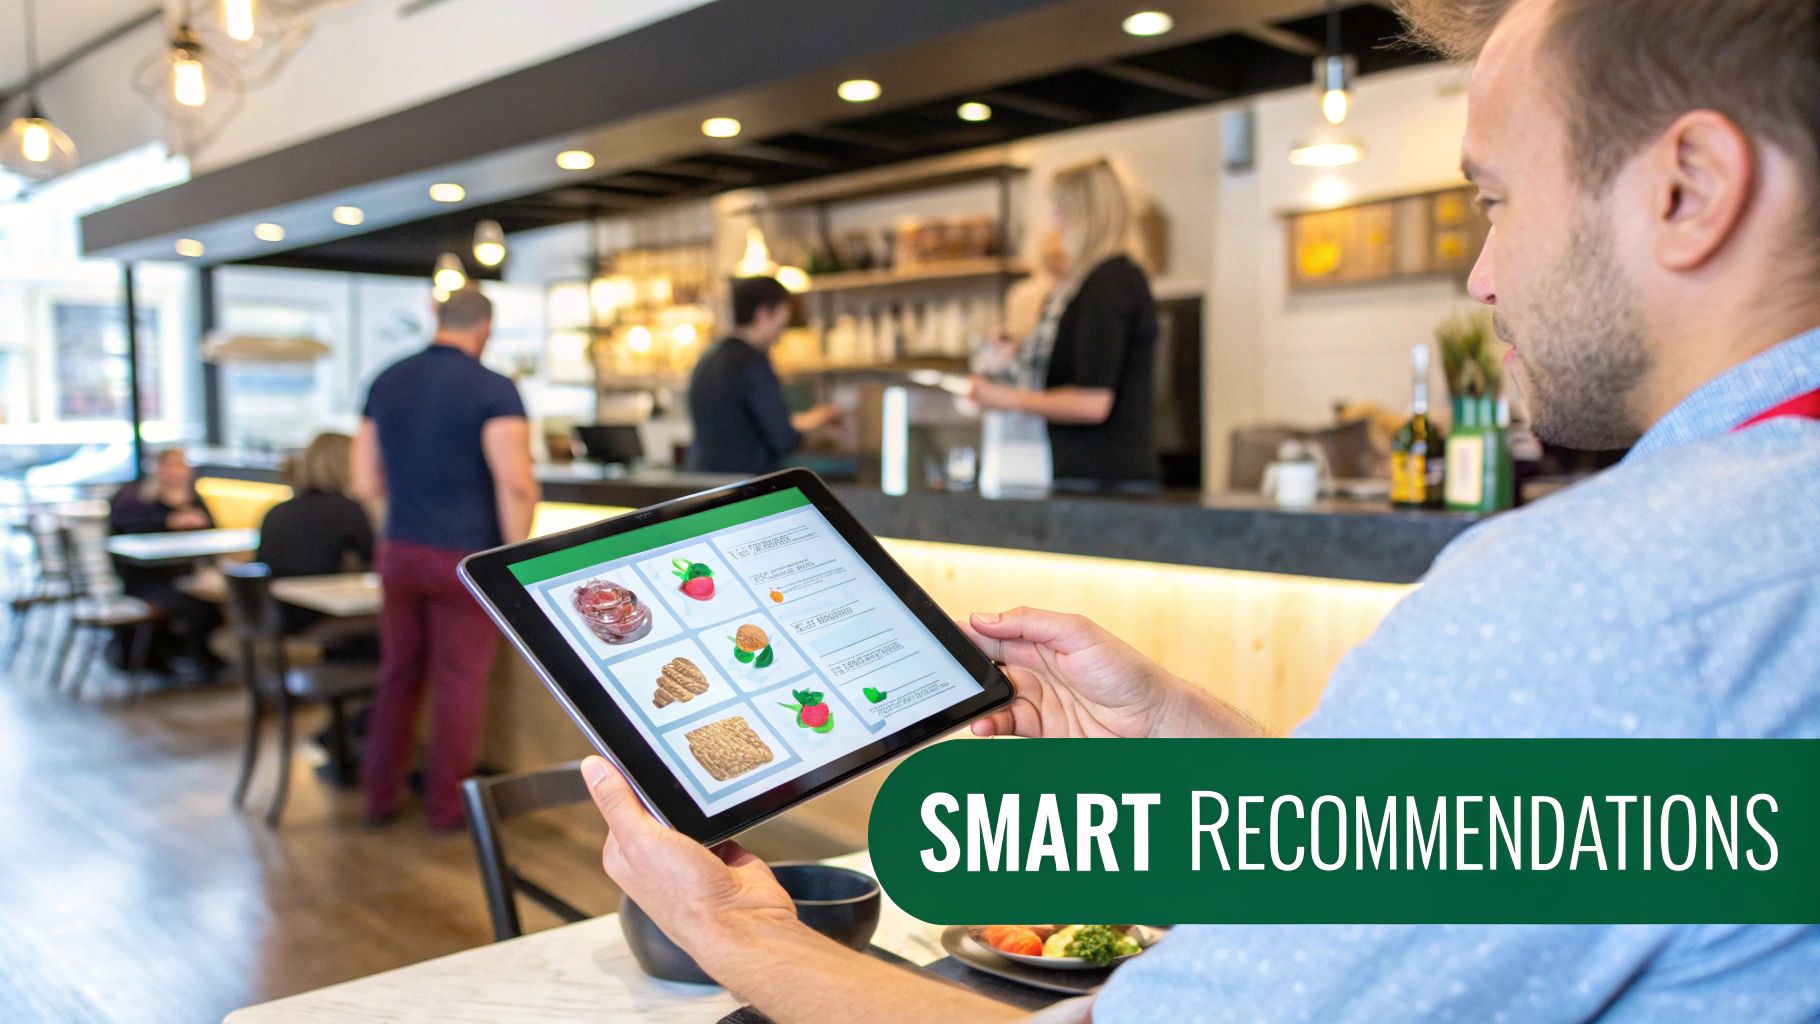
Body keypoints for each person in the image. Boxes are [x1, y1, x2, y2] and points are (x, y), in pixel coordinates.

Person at [573, 0, 1820, 1019]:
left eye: (1492, 200)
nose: (1476, 273)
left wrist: (735, 931)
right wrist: (1175, 730)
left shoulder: (1607, 603)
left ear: (1687, 186)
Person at [352, 287, 539, 831]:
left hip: (399, 549)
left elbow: (364, 479)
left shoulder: (387, 380)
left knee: (398, 677)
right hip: (465, 557)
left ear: (436, 318)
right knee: (458, 683)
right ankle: (447, 809)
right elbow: (517, 484)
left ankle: (378, 799)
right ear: (485, 328)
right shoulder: (494, 389)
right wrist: (513, 561)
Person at [968, 158, 1160, 490]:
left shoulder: (1109, 281)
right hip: (1086, 475)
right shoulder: (1094, 281)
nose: (1055, 222)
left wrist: (1004, 397)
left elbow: (1092, 402)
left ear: (1085, 213)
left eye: (1060, 210)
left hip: (1103, 481)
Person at [686, 276, 843, 475]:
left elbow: (737, 427)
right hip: (746, 488)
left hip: (704, 481)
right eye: (781, 323)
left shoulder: (707, 358)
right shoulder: (753, 363)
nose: (781, 336)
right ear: (763, 314)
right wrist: (820, 430)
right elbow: (783, 440)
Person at [108, 448, 222, 678]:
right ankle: (188, 658)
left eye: (182, 465)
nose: (179, 472)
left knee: (217, 601)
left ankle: (197, 655)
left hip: (184, 574)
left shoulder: (192, 497)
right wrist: (169, 521)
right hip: (144, 580)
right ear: (158, 468)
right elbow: (128, 536)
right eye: (172, 465)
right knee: (195, 606)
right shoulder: (135, 498)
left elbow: (215, 532)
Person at [256, 431, 375, 634]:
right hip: (313, 618)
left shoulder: (276, 511)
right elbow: (374, 557)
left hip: (273, 617)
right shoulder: (347, 510)